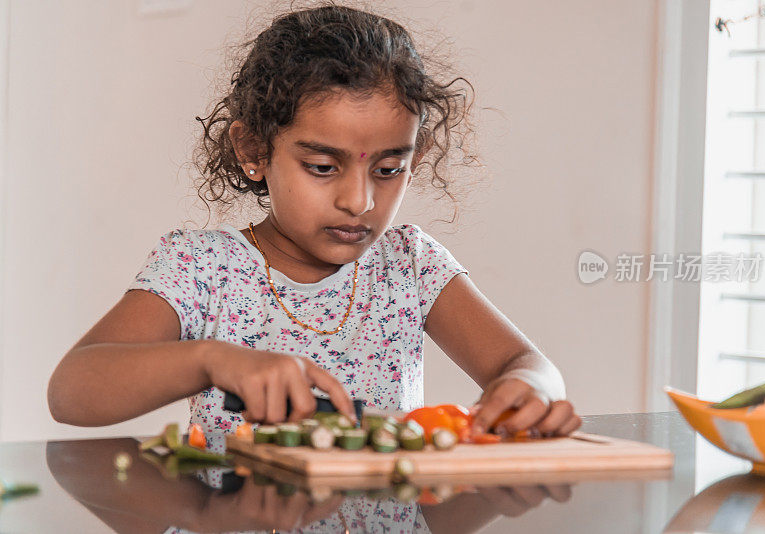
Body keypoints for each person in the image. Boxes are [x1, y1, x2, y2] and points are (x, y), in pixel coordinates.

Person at [47, 2, 581, 444]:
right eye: (323, 168)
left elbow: (525, 362)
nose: (359, 200)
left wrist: (531, 387)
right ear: (253, 150)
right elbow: (71, 391)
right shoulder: (203, 268)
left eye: (390, 169)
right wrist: (211, 360)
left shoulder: (407, 266)